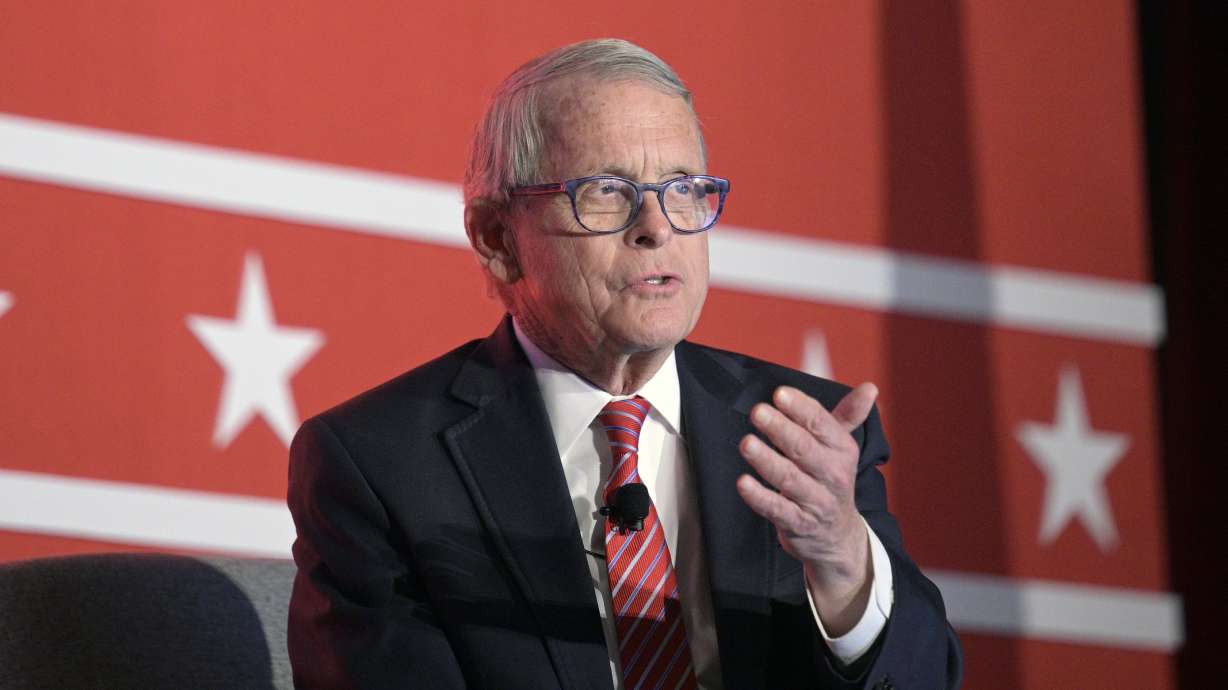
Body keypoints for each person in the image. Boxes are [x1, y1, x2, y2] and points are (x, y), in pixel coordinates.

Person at [287, 38, 962, 690]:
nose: (658, 226)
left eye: (685, 188)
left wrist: (844, 560)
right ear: (498, 238)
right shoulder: (381, 465)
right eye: (607, 190)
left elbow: (924, 678)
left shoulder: (807, 437)